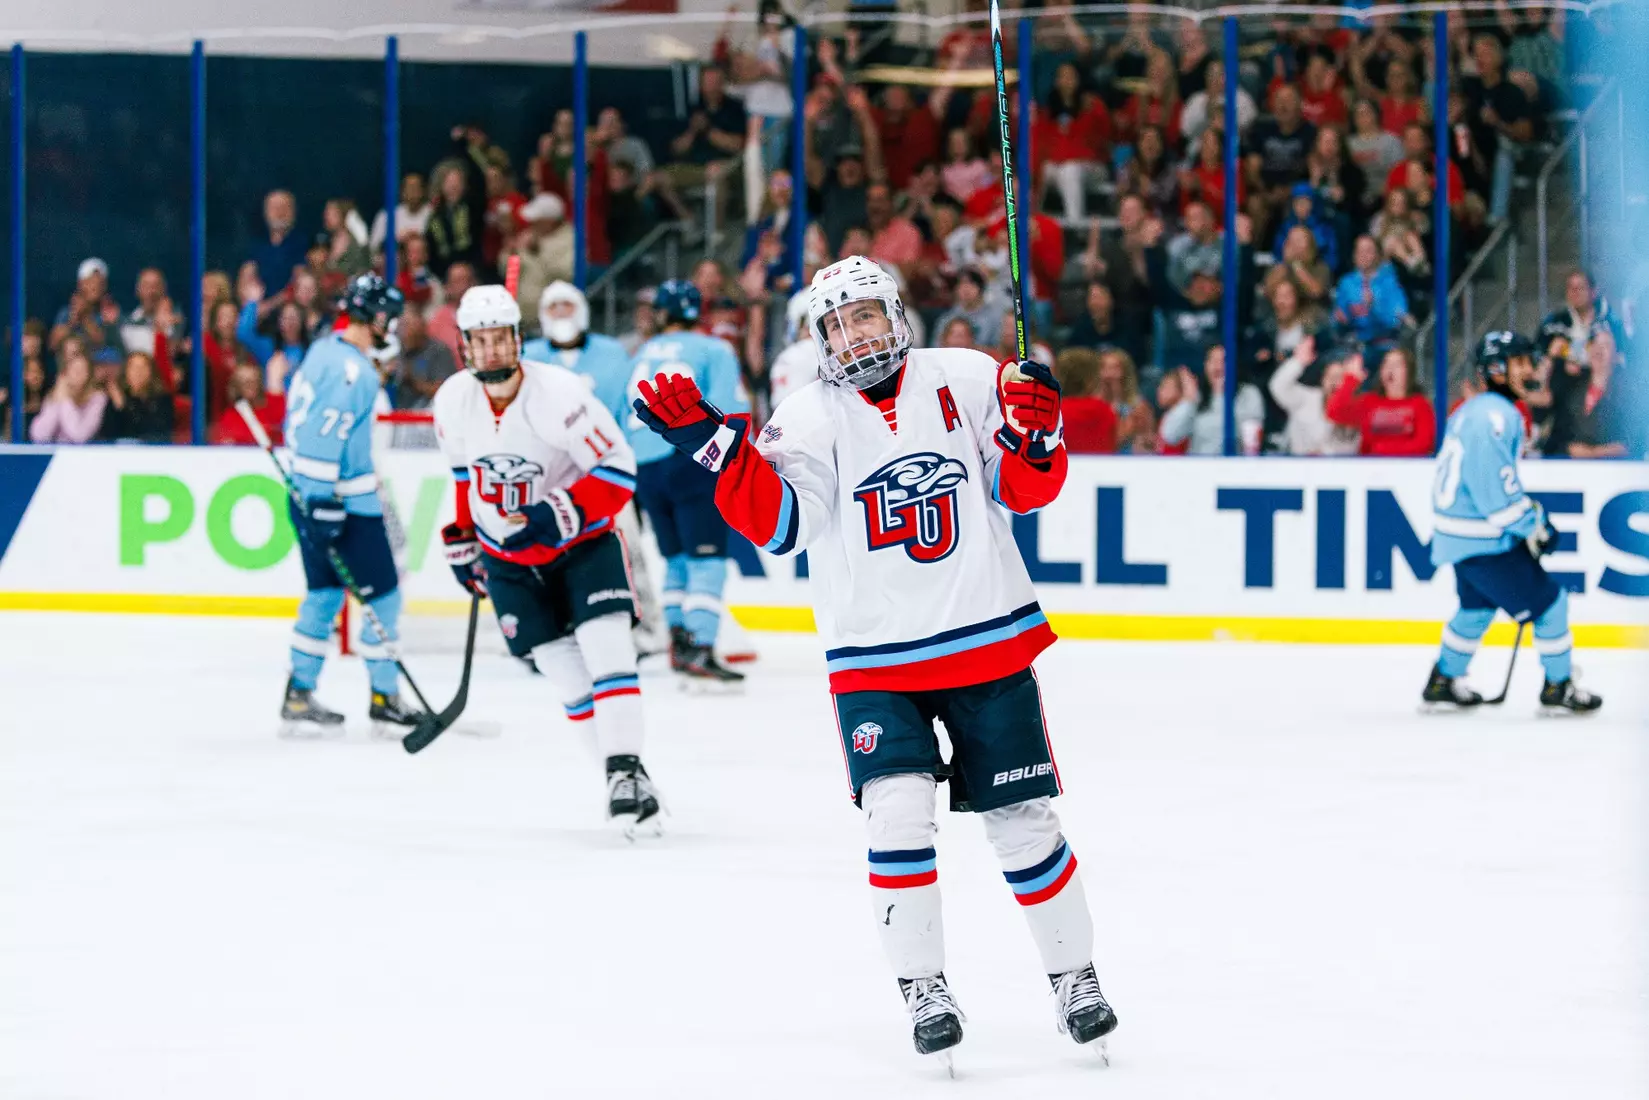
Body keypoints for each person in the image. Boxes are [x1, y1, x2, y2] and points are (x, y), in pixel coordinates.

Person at [630, 255, 1118, 1065]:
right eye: (833, 323)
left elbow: (1026, 490)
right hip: (873, 660)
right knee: (896, 814)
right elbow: (784, 525)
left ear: (895, 314)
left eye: (863, 315)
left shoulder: (965, 376)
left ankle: (1075, 978)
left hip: (984, 637)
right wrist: (717, 449)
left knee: (1021, 821)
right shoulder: (804, 416)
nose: (850, 334)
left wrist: (1036, 431)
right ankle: (923, 987)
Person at [433, 285, 662, 832]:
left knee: (608, 652)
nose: (490, 351)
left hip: (581, 545)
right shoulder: (450, 400)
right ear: (464, 345)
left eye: (499, 339)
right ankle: (622, 775)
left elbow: (617, 468)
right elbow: (466, 478)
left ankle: (625, 769)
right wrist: (465, 538)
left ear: (517, 339)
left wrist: (556, 512)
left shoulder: (559, 393)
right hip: (508, 561)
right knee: (564, 674)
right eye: (478, 341)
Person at [1424, 332, 1601, 714]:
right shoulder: (1497, 417)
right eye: (1519, 362)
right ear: (1496, 371)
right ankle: (1558, 687)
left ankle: (1443, 679)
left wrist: (1525, 518)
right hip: (1484, 541)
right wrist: (1533, 526)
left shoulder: (1472, 411)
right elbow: (1497, 499)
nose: (1529, 369)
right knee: (1551, 604)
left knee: (1475, 608)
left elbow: (1487, 484)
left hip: (1460, 538)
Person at [277, 275, 420, 740]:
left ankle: (299, 692)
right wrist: (324, 503)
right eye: (389, 316)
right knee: (384, 597)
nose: (392, 325)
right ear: (375, 317)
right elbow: (323, 438)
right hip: (344, 505)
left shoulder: (324, 351)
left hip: (308, 497)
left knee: (324, 594)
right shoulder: (353, 371)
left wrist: (312, 499)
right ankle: (385, 698)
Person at [523, 281, 669, 655]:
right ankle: (545, 631)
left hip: (606, 476)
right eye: (553, 306)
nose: (560, 314)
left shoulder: (613, 355)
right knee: (544, 556)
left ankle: (647, 627)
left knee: (628, 552)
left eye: (567, 306)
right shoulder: (528, 357)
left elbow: (629, 412)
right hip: (549, 478)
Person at [624, 281, 749, 684]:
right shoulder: (714, 348)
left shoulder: (641, 352)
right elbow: (732, 409)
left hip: (645, 466)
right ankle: (701, 646)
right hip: (690, 458)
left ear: (663, 313)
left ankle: (678, 641)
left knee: (676, 560)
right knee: (707, 558)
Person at [1324, 346, 1435, 456]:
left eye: (1397, 364)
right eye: (1386, 364)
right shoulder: (1370, 402)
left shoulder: (1421, 404)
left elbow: (1423, 444)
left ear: (1409, 371)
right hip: (1372, 469)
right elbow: (1334, 412)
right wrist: (1351, 379)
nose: (1390, 368)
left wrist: (1383, 449)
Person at [28, 344, 106, 444]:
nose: (77, 374)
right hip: (55, 454)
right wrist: (57, 401)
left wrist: (64, 399)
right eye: (73, 370)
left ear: (89, 375)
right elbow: (38, 435)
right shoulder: (55, 395)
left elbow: (79, 436)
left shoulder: (98, 398)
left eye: (82, 371)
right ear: (65, 373)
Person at [100, 350, 175, 443]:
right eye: (133, 367)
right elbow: (109, 435)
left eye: (143, 367)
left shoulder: (163, 400)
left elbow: (156, 433)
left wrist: (124, 407)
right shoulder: (116, 398)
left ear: (151, 372)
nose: (138, 372)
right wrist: (119, 408)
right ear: (126, 372)